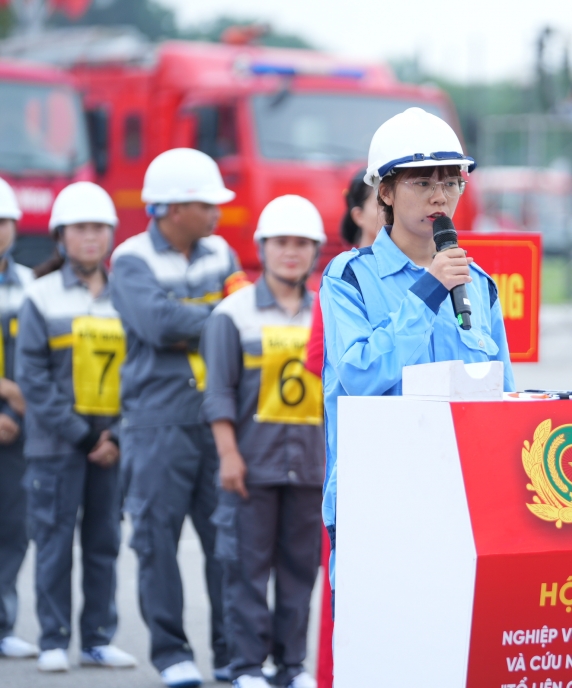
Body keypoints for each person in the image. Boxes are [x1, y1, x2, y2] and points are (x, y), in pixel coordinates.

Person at [320, 107, 515, 590]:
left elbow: (503, 394)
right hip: (378, 493)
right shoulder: (349, 277)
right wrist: (427, 291)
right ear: (384, 191)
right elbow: (360, 375)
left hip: (462, 493)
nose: (439, 196)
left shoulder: (480, 284)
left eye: (450, 182)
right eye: (422, 182)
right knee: (379, 648)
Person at [110, 148, 246, 687]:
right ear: (171, 208)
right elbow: (157, 323)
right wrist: (218, 316)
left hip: (216, 419)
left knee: (227, 544)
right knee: (156, 542)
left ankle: (232, 654)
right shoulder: (131, 259)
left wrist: (206, 317)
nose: (217, 214)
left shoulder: (222, 252)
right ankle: (171, 654)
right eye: (206, 204)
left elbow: (244, 312)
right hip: (155, 423)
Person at [202, 196, 325, 688]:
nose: (290, 252)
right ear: (262, 248)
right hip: (250, 465)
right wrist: (229, 454)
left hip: (311, 467)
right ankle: (248, 667)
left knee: (299, 574)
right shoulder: (231, 315)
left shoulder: (330, 313)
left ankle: (291, 666)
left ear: (315, 251)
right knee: (246, 572)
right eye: (281, 243)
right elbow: (218, 393)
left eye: (301, 244)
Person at [17, 182, 136, 673]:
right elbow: (33, 378)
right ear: (60, 237)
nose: (90, 238)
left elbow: (142, 372)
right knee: (54, 542)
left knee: (104, 542)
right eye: (80, 229)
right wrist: (83, 435)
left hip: (114, 444)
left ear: (110, 236)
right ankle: (52, 637)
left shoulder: (127, 296)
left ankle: (97, 639)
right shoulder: (39, 295)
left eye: (98, 229)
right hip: (56, 446)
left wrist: (117, 435)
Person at [0, 178, 37, 661]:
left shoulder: (33, 287)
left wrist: (13, 406)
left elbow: (39, 363)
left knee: (12, 528)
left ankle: (3, 623)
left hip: (19, 427)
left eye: (4, 222)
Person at [305, 172, 383, 379]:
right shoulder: (343, 274)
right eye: (381, 202)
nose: (391, 210)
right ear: (358, 215)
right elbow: (316, 358)